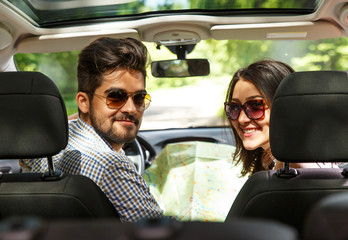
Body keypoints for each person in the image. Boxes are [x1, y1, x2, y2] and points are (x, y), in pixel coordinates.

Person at [20, 37, 163, 223]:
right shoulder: (112, 166)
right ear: (84, 102)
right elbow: (160, 231)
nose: (131, 109)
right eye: (115, 97)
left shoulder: (44, 144)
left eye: (139, 97)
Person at [224, 59, 336, 177]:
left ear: (287, 107)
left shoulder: (289, 168)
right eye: (234, 107)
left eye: (256, 105)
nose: (242, 119)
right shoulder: (292, 160)